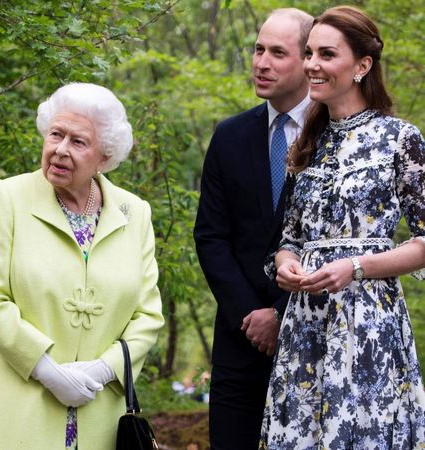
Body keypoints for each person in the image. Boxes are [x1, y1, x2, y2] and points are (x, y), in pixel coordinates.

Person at [260, 6, 425, 449]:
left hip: (369, 322)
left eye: (326, 54)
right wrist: (285, 263)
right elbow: (291, 237)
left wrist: (356, 267)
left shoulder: (400, 139)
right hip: (305, 324)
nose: (312, 64)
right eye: (309, 53)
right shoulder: (307, 142)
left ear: (362, 65)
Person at [0, 83, 165, 450]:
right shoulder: (9, 198)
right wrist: (46, 369)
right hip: (22, 409)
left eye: (78, 142)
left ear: (104, 157)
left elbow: (148, 315)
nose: (60, 150)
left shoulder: (133, 212)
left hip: (101, 411)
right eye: (56, 135)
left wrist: (103, 369)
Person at [194, 8, 313, 449]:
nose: (261, 62)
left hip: (312, 334)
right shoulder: (230, 135)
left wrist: (281, 314)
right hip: (238, 337)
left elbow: (338, 240)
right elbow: (210, 235)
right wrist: (252, 316)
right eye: (258, 49)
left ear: (309, 60)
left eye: (277, 53)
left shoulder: (337, 135)